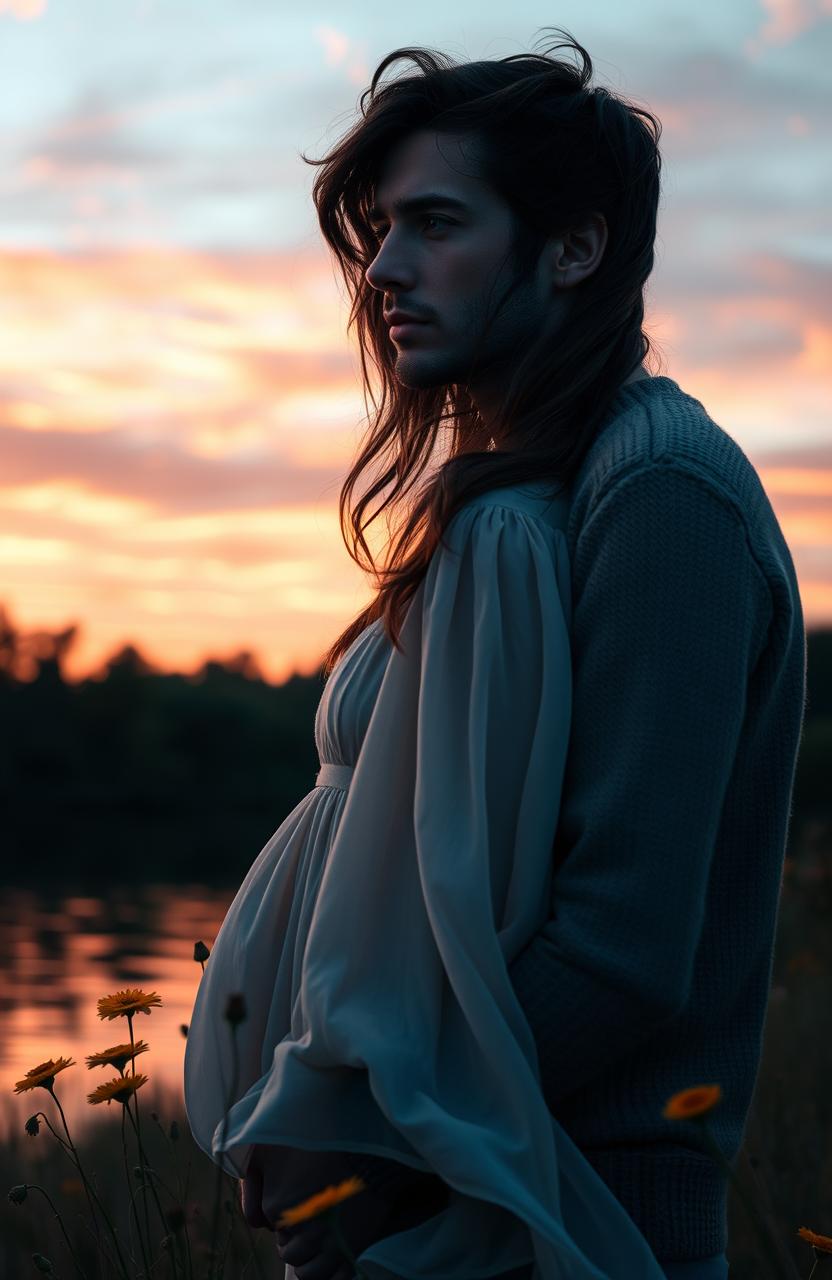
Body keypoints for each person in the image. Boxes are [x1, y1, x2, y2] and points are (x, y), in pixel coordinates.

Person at [183, 28, 806, 1280]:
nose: (386, 270)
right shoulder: (543, 491)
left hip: (567, 1211)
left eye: (435, 224)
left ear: (572, 248)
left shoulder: (659, 498)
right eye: (376, 232)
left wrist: (371, 1140)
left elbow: (620, 948)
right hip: (463, 1202)